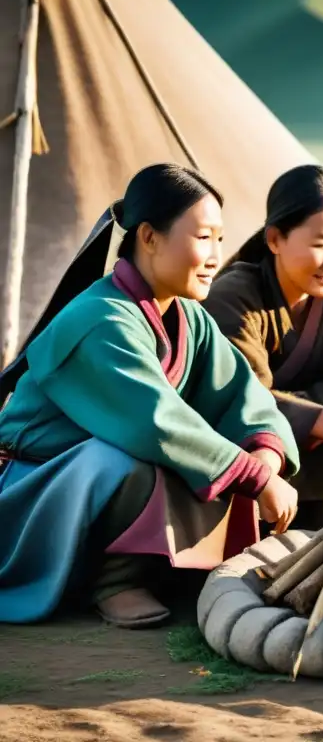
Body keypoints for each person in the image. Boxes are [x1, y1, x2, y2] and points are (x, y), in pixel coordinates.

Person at [0, 164, 301, 628]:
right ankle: (113, 581)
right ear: (149, 237)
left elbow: (245, 399)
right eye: (204, 238)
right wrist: (255, 479)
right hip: (32, 490)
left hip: (91, 479)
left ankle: (163, 569)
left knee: (220, 455)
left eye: (221, 239)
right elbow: (154, 422)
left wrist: (264, 455)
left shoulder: (189, 318)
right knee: (132, 456)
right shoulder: (100, 320)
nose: (216, 255)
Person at [203, 164, 323, 531]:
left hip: (316, 463)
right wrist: (320, 419)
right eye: (321, 245)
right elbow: (236, 401)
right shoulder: (233, 298)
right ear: (274, 239)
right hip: (243, 461)